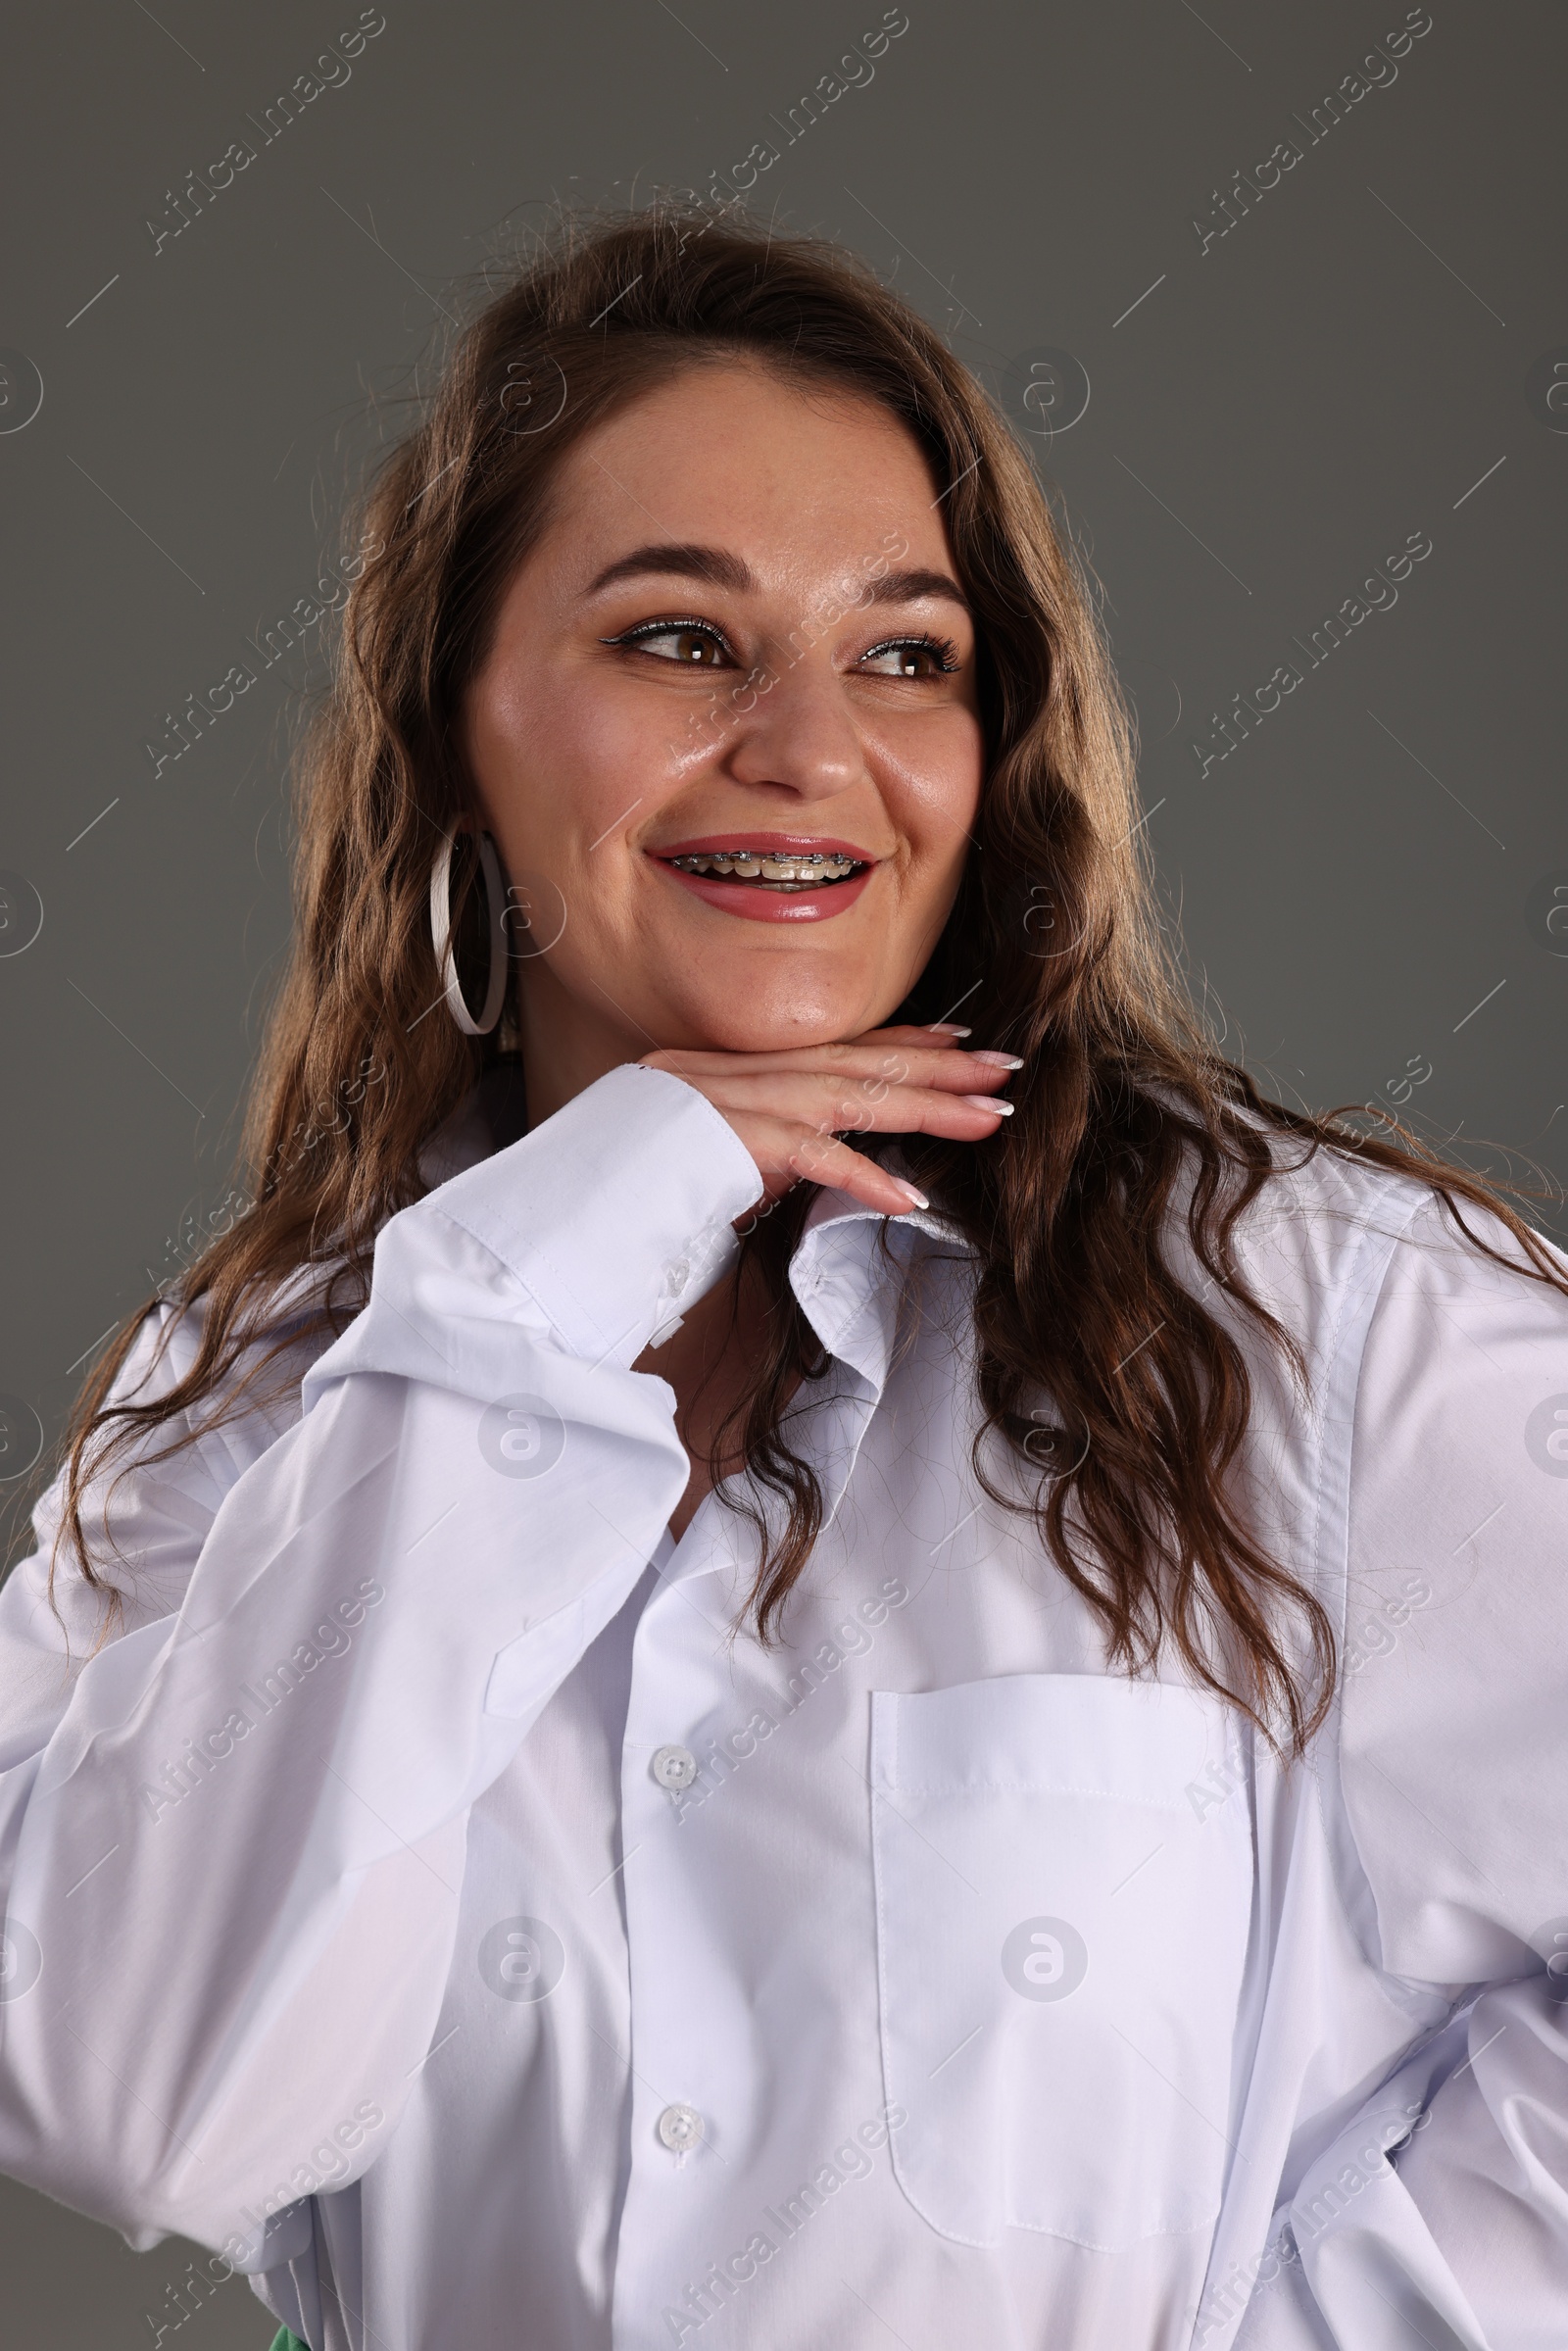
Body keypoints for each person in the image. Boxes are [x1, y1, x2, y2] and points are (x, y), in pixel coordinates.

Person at [0, 205, 1563, 2351]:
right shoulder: (260, 1402)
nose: (811, 750)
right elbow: (142, 2112)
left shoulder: (1316, 1329)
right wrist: (549, 1264)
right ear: (455, 722)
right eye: (674, 639)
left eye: (906, 654)